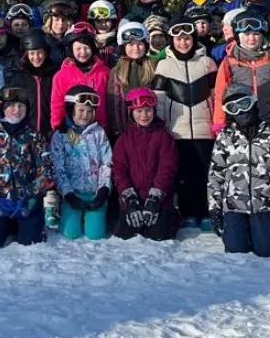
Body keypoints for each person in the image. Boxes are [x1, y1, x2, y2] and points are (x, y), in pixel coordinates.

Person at [153, 19, 217, 229]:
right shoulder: (164, 65)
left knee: (204, 173)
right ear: (172, 41)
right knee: (184, 174)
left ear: (194, 39)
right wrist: (160, 126)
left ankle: (205, 212)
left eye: (187, 38)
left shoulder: (207, 63)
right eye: (178, 39)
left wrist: (218, 124)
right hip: (176, 130)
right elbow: (159, 99)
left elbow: (217, 95)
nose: (183, 43)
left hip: (204, 130)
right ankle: (188, 211)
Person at [208, 87, 270, 256]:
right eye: (233, 108)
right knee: (236, 249)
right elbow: (216, 172)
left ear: (253, 104)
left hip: (264, 203)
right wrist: (214, 207)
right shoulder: (226, 136)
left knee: (268, 250)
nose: (241, 111)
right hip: (235, 204)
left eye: (244, 104)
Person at [0, 87, 53, 248]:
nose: (16, 110)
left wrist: (31, 196)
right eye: (11, 105)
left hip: (26, 200)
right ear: (3, 108)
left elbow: (46, 169)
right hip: (0, 200)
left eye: (21, 106)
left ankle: (25, 224)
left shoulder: (34, 136)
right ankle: (4, 224)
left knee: (30, 245)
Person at [111, 87, 179, 240]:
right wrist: (129, 199)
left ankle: (172, 217)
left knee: (157, 235)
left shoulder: (163, 137)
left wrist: (155, 198)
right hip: (133, 199)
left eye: (148, 110)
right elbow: (119, 170)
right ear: (131, 113)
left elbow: (167, 169)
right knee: (126, 234)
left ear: (154, 111)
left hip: (157, 199)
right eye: (138, 111)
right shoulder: (124, 139)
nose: (144, 115)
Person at [49, 86, 113, 240]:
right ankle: (69, 213)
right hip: (73, 193)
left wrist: (103, 189)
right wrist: (68, 194)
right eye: (81, 110)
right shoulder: (61, 135)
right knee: (70, 234)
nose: (86, 115)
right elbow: (58, 168)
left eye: (90, 111)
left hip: (94, 193)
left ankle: (94, 216)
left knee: (95, 235)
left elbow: (106, 162)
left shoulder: (98, 133)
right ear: (71, 109)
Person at [211, 15, 270, 135]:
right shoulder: (230, 61)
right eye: (246, 34)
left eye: (256, 34)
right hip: (241, 119)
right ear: (238, 36)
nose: (251, 39)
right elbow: (220, 94)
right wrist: (220, 123)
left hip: (269, 119)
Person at [51, 24, 112, 130]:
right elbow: (57, 104)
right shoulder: (61, 76)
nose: (83, 52)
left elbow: (110, 102)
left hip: (99, 131)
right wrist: (57, 126)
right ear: (71, 50)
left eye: (87, 48)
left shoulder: (104, 73)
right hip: (71, 131)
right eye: (78, 48)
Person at [107, 22, 158, 139]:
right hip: (127, 131)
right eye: (130, 44)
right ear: (123, 47)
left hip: (153, 128)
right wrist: (118, 131)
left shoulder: (154, 66)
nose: (136, 48)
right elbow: (114, 104)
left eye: (140, 44)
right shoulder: (116, 72)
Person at [8, 29, 59, 137]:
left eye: (40, 52)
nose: (36, 57)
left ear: (46, 52)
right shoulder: (19, 78)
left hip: (51, 133)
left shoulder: (55, 75)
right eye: (32, 53)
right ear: (26, 54)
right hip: (27, 135)